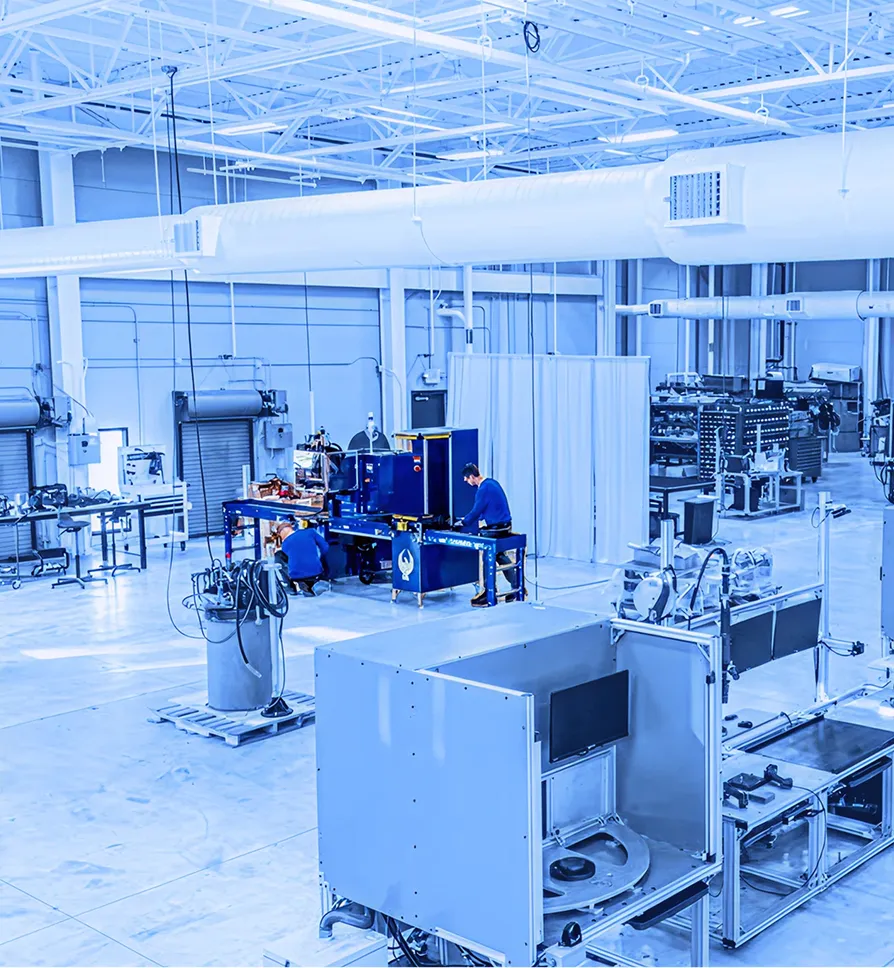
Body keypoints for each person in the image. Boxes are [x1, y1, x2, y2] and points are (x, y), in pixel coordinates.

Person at [460, 463, 516, 607]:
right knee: (499, 555)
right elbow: (485, 509)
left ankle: (489, 592)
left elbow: (476, 510)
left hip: (498, 528)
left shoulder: (483, 489)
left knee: (487, 554)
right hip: (505, 525)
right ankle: (517, 585)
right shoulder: (491, 483)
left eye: (466, 478)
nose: (465, 481)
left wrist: (463, 523)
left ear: (471, 476)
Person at [275, 521, 329, 597]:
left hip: (297, 576)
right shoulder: (310, 532)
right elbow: (325, 547)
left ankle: (291, 587)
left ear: (283, 531)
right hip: (317, 572)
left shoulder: (285, 544)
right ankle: (317, 582)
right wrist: (320, 560)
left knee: (278, 555)